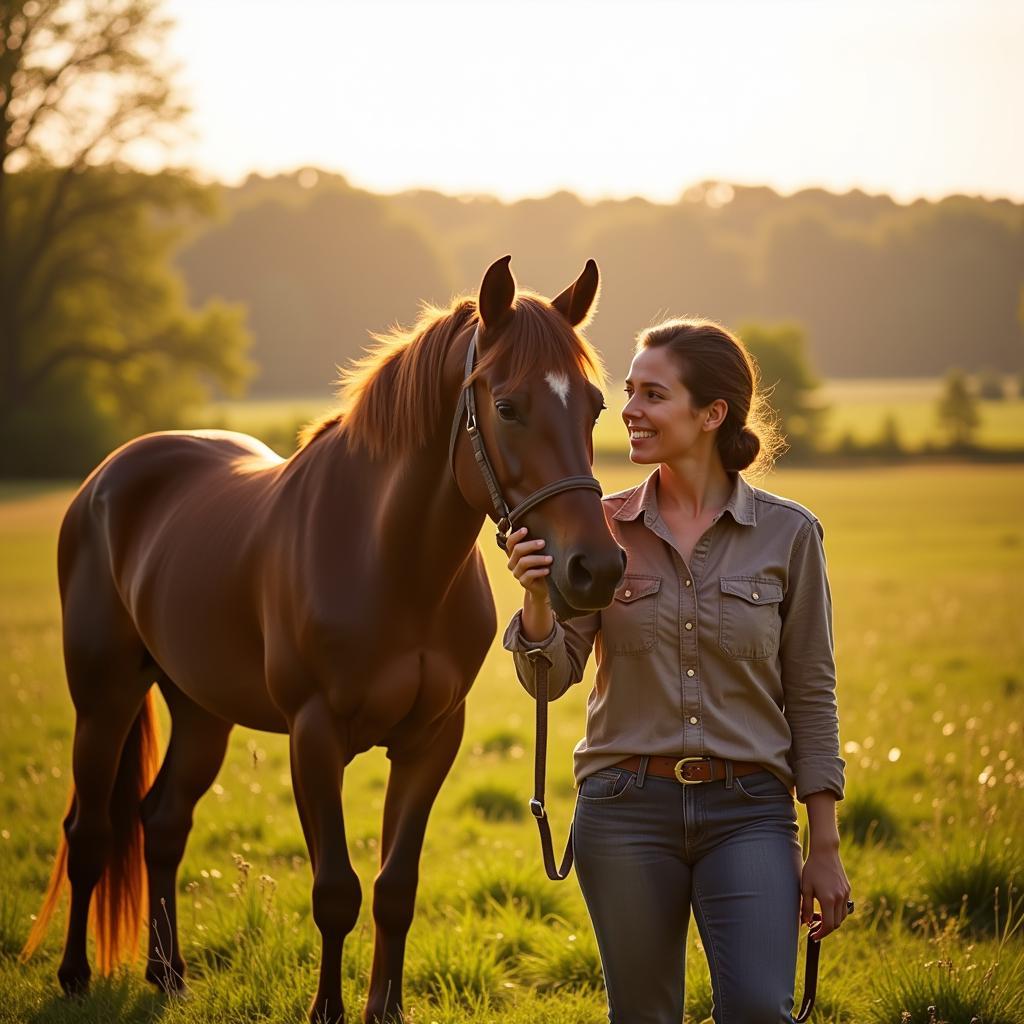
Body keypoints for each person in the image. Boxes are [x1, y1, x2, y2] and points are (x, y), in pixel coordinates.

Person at [502, 318, 851, 1024]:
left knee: (758, 1009)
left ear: (712, 414)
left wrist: (826, 847)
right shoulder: (598, 530)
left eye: (652, 394)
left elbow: (812, 693)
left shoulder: (791, 535)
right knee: (644, 1016)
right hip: (624, 807)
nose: (628, 409)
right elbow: (548, 677)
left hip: (749, 810)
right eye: (628, 392)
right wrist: (538, 600)